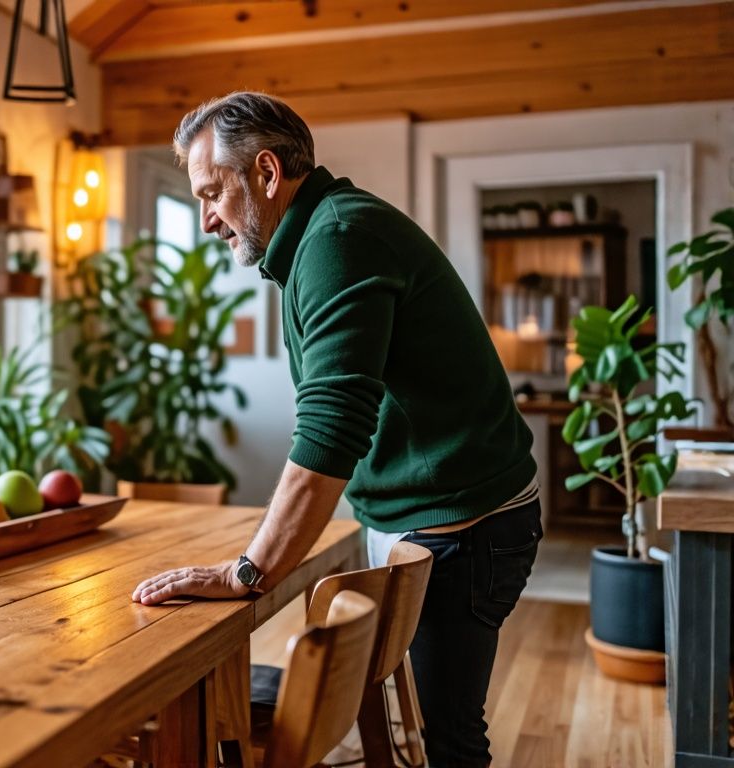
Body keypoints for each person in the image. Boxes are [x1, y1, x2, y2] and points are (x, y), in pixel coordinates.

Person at [130, 91, 542, 767]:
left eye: (212, 194)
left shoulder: (337, 240)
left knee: (452, 741)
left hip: (464, 529)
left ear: (265, 173)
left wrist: (246, 572)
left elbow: (330, 429)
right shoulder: (325, 234)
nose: (206, 220)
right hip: (448, 521)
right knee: (441, 733)